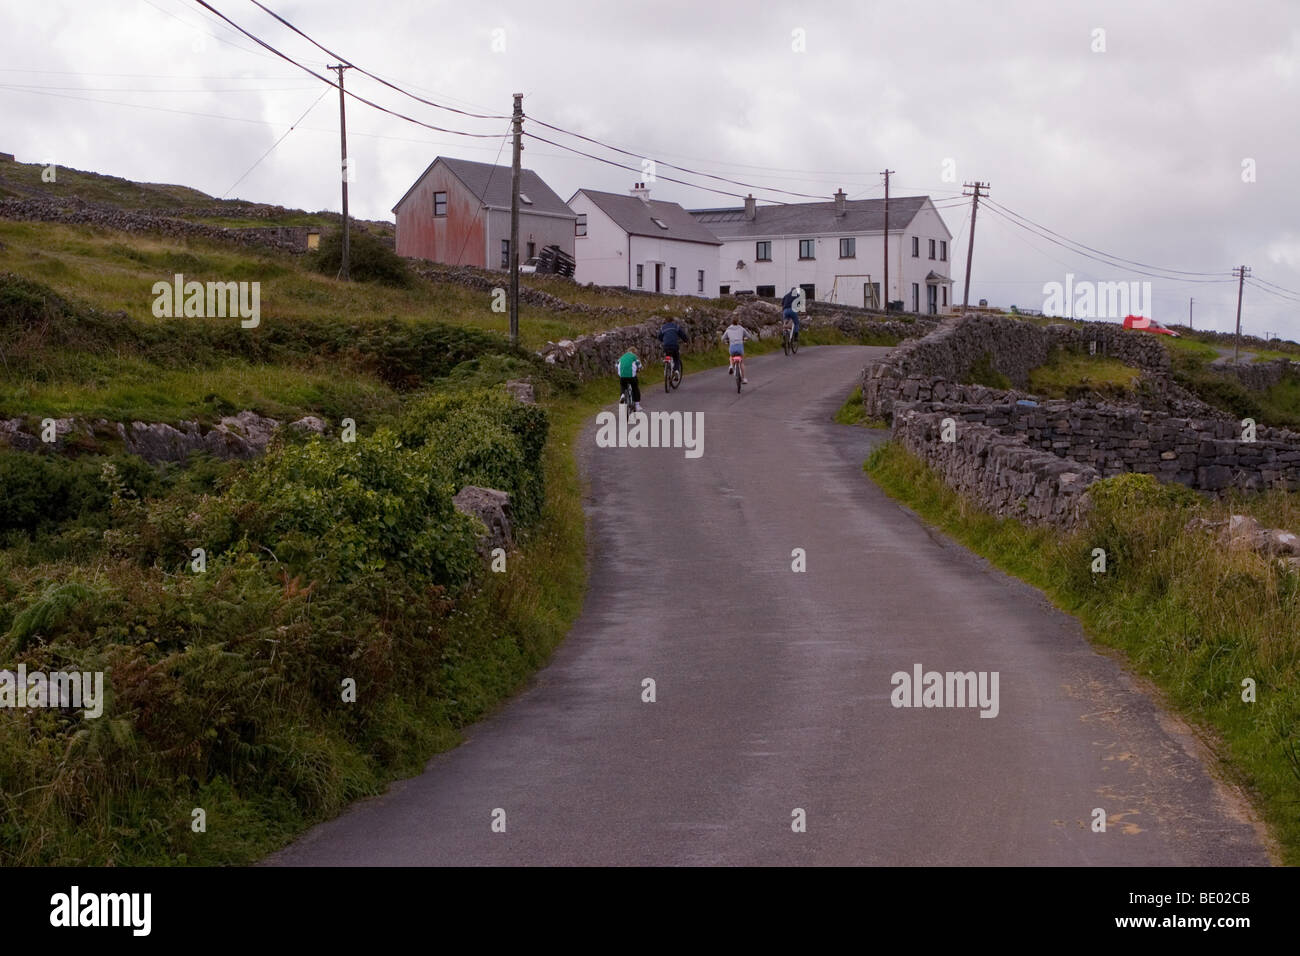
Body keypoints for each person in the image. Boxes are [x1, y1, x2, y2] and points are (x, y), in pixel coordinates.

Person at [720, 316, 753, 383]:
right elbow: (748, 336)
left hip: (732, 347)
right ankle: (744, 379)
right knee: (741, 362)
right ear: (738, 322)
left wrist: (726, 341)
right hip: (740, 347)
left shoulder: (728, 329)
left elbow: (722, 339)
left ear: (731, 322)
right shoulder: (741, 328)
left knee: (731, 356)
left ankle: (731, 366)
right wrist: (745, 339)